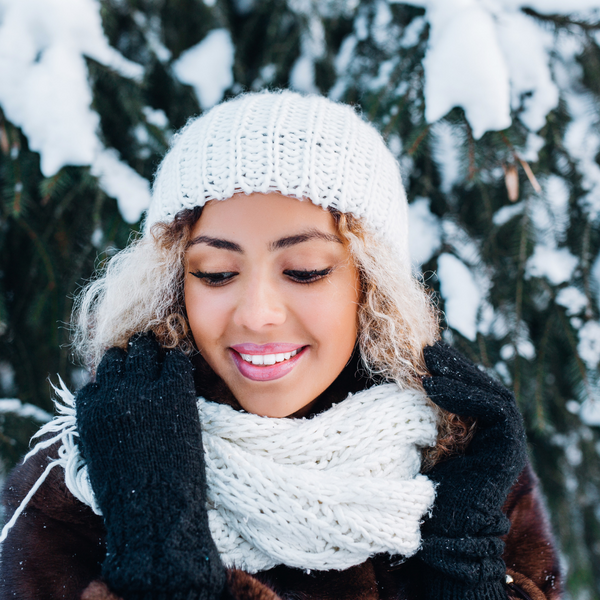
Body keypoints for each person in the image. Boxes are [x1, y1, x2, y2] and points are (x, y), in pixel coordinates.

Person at [0, 90, 561, 600]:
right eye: (216, 273)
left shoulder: (459, 459)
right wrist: (157, 556)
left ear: (372, 284)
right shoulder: (85, 473)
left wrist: (465, 567)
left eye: (305, 270)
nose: (258, 314)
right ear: (172, 282)